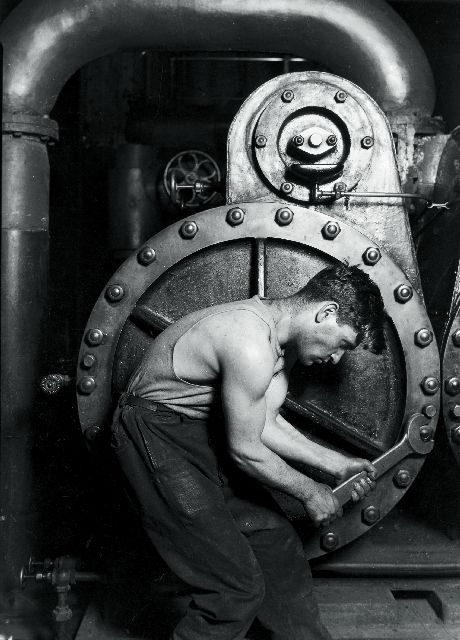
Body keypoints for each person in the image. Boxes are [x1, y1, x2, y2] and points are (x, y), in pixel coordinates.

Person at [110, 263, 386, 640]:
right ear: (326, 313)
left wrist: (336, 464)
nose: (337, 359)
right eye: (342, 344)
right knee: (234, 588)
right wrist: (310, 491)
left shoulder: (278, 345)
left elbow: (264, 423)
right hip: (154, 435)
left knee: (277, 547)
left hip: (195, 434)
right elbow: (244, 449)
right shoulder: (249, 340)